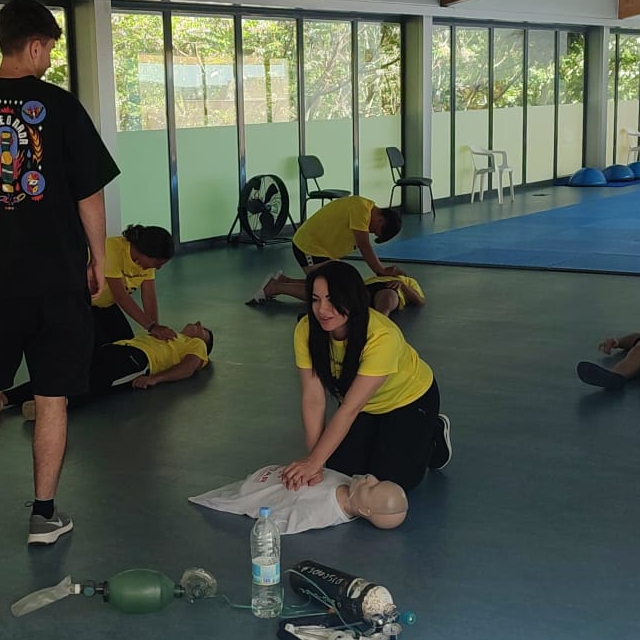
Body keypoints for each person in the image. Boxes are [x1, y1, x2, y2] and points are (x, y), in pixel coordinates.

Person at [0, 0, 120, 545]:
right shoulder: (59, 106)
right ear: (34, 45)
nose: (51, 59)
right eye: (50, 48)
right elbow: (89, 193)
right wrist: (98, 259)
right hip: (55, 280)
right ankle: (43, 515)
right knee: (51, 397)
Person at [287, 261, 450, 493]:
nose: (322, 309)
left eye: (332, 299)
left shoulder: (382, 336)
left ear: (353, 298)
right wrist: (317, 462)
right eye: (316, 299)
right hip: (365, 406)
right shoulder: (306, 329)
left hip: (407, 400)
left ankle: (432, 433)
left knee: (390, 483)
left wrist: (313, 462)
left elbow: (349, 408)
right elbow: (313, 399)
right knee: (341, 472)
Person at [0, 321, 214, 419]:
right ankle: (4, 398)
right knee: (61, 371)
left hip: (137, 361)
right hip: (115, 347)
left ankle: (54, 405)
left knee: (94, 382)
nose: (199, 324)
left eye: (204, 329)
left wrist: (155, 379)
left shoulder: (196, 345)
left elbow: (189, 367)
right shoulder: (171, 333)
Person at [250, 195, 403, 305]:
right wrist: (380, 271)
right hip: (309, 248)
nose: (371, 232)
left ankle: (285, 281)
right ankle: (275, 287)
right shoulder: (361, 209)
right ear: (380, 220)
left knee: (336, 282)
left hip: (321, 250)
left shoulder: (363, 206)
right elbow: (364, 245)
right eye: (376, 230)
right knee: (330, 292)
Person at [190, 465, 409, 534]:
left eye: (373, 487)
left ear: (366, 511)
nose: (370, 477)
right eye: (378, 479)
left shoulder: (321, 512)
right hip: (269, 474)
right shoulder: (347, 481)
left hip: (253, 489)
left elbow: (279, 524)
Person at [92, 224, 176, 346]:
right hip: (80, 304)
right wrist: (151, 326)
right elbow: (121, 296)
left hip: (106, 305)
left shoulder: (147, 264)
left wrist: (156, 329)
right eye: (158, 263)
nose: (158, 268)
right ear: (144, 253)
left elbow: (149, 296)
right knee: (97, 346)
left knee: (125, 342)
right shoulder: (112, 249)